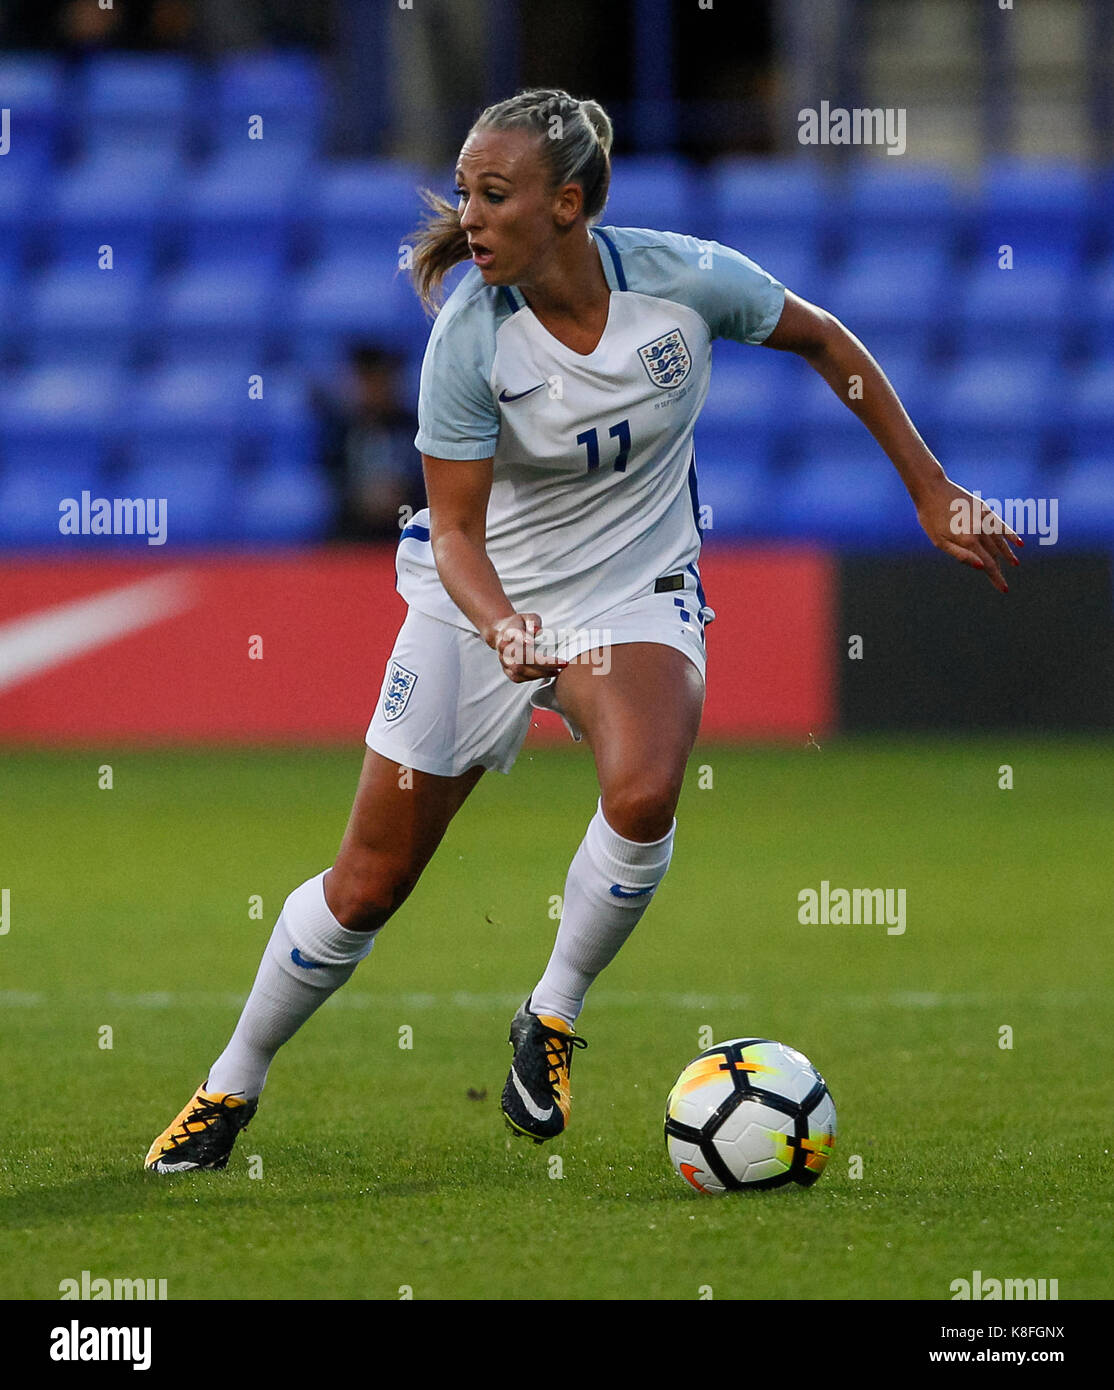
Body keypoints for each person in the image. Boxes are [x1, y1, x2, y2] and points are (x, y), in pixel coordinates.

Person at [145, 88, 1021, 1171]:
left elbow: (824, 341)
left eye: (494, 193)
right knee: (368, 882)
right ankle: (230, 1082)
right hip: (477, 601)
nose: (468, 215)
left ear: (567, 204)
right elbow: (456, 533)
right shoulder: (468, 340)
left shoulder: (683, 280)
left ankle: (549, 1016)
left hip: (632, 586)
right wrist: (503, 624)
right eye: (464, 191)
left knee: (646, 785)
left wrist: (930, 488)